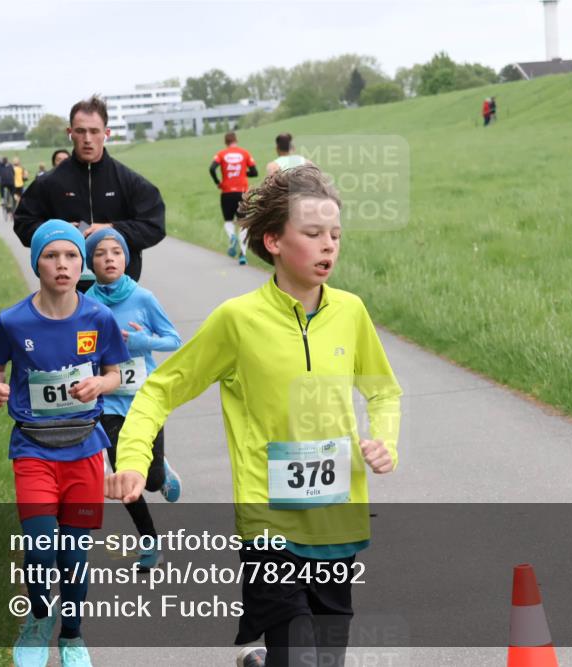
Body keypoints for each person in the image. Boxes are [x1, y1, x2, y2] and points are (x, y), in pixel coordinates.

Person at [105, 164, 402, 667]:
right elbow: (158, 390)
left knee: (326, 659)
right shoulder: (237, 321)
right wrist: (133, 459)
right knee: (298, 657)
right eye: (312, 234)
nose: (329, 245)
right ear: (274, 241)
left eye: (335, 234)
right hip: (269, 520)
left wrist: (385, 442)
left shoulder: (351, 312)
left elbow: (383, 391)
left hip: (338, 517)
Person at [0, 220, 128, 667]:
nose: (62, 265)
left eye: (70, 256)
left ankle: (72, 634)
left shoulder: (99, 318)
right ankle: (38, 621)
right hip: (33, 451)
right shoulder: (12, 320)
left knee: (74, 554)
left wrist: (99, 386)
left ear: (80, 264)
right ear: (37, 263)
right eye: (51, 256)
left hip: (85, 450)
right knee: (42, 547)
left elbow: (115, 372)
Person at [84, 228, 183, 570]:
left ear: (126, 259)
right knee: (124, 474)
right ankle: (149, 542)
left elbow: (174, 340)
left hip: (145, 398)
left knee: (152, 480)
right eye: (100, 253)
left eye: (116, 252)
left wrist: (142, 343)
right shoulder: (86, 304)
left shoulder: (144, 298)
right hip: (109, 401)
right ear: (90, 262)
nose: (109, 258)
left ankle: (162, 471)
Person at [14, 96, 166, 293]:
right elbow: (23, 223)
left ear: (106, 133)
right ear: (70, 133)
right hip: (66, 292)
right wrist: (57, 233)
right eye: (80, 131)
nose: (87, 139)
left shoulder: (129, 181)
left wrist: (113, 229)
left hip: (119, 292)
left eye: (94, 131)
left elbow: (154, 225)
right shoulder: (48, 183)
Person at [210, 131, 258, 265]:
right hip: (242, 192)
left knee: (228, 221)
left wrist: (217, 182)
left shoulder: (221, 154)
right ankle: (242, 255)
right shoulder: (245, 153)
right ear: (236, 140)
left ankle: (232, 236)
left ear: (226, 142)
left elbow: (212, 168)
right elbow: (255, 172)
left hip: (226, 192)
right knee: (243, 224)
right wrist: (243, 173)